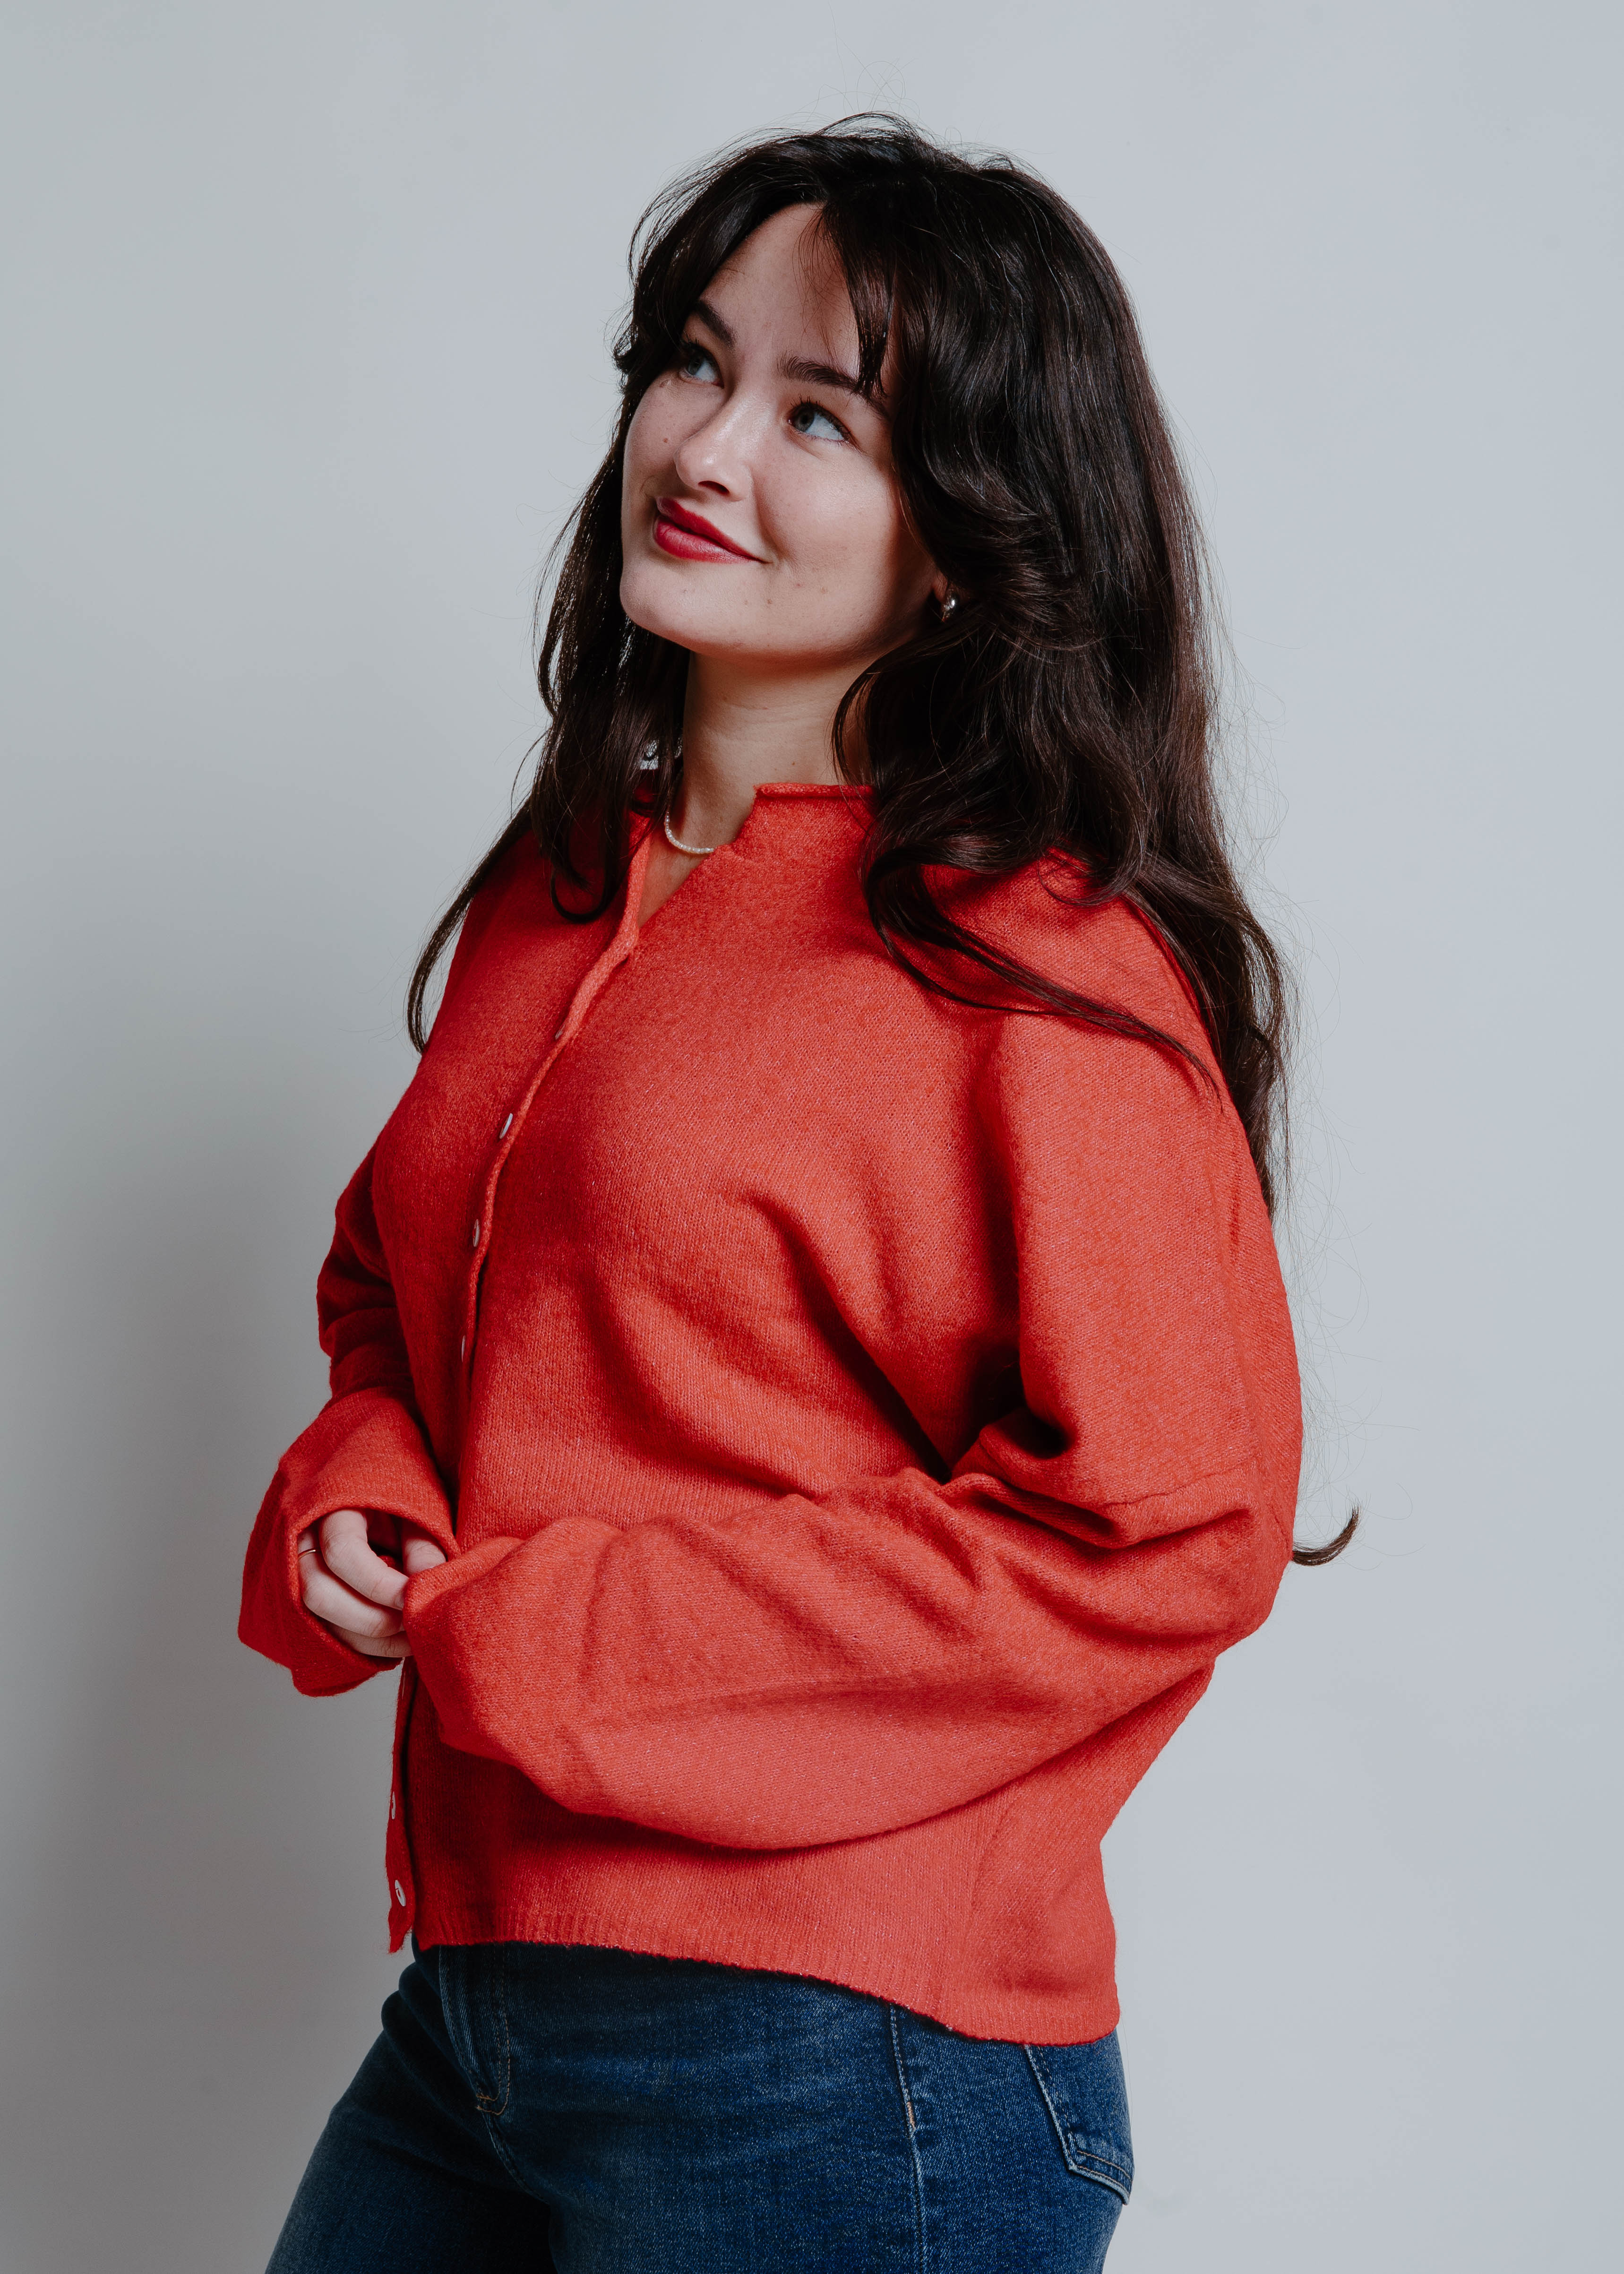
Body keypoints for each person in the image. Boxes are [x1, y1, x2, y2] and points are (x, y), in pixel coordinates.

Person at [241, 115, 1351, 2274]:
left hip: (844, 2056)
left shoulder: (1033, 959)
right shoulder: (561, 888)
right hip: (483, 2003)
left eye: (820, 413)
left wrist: (537, 1629)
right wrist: (369, 1477)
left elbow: (1162, 1527)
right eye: (693, 360)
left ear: (963, 539)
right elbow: (399, 1282)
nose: (708, 444)